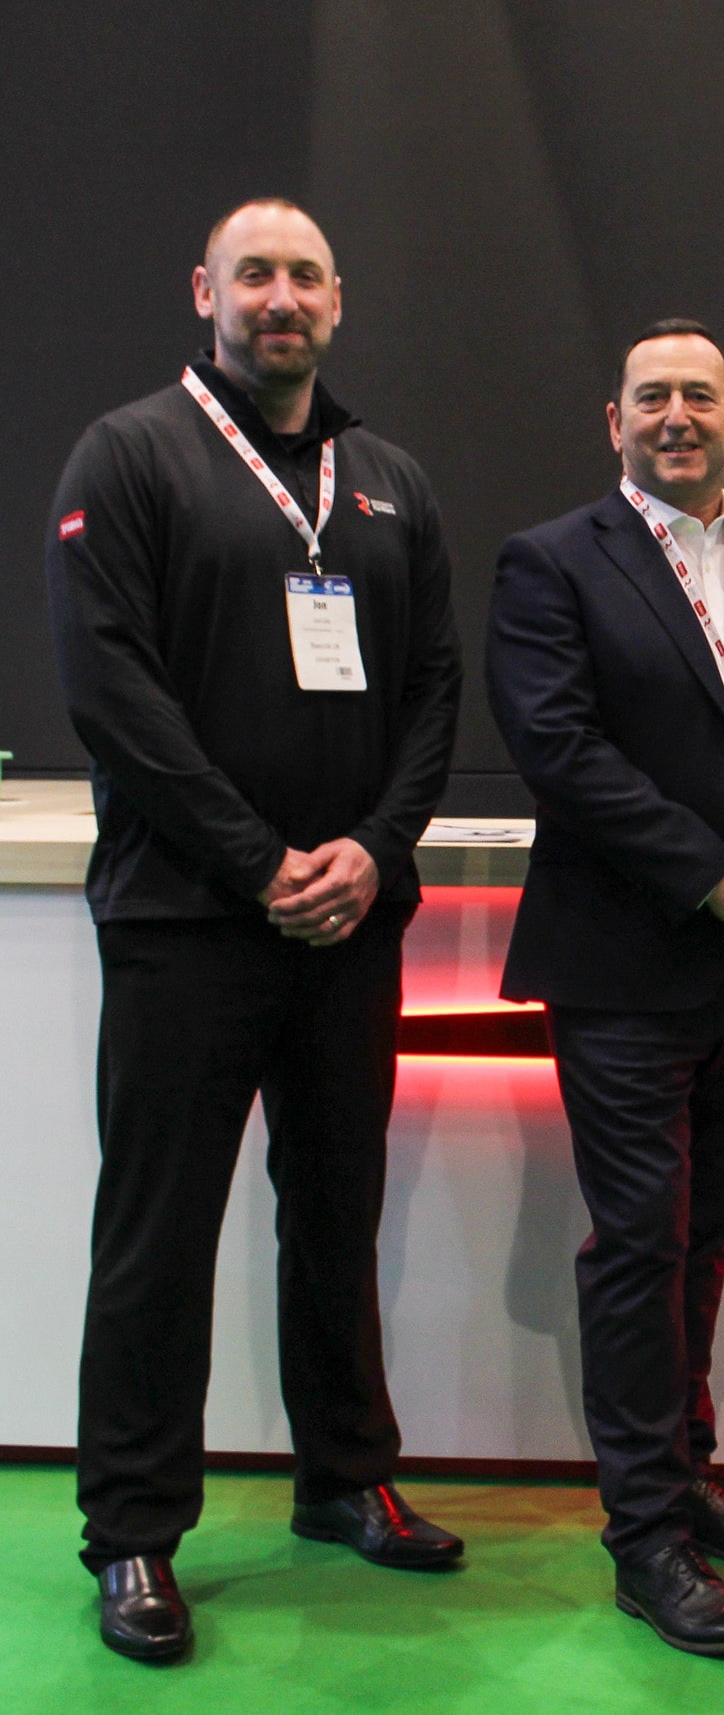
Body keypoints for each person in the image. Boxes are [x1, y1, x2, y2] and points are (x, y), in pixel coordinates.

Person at [45, 199, 467, 1663]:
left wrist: (369, 848)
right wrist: (256, 858)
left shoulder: (390, 480)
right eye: (253, 275)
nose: (278, 298)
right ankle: (135, 1531)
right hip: (185, 919)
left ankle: (345, 1478)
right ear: (204, 294)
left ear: (336, 303)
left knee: (335, 1209)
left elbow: (432, 693)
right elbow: (111, 693)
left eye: (302, 276)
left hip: (348, 921)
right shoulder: (131, 456)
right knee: (157, 1231)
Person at [486, 320, 724, 1658]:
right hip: (626, 966)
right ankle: (644, 1533)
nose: (675, 416)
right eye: (650, 397)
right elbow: (562, 753)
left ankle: (691, 1471)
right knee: (642, 1240)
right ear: (614, 422)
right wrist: (718, 878)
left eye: (698, 397)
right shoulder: (551, 563)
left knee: (706, 1229)